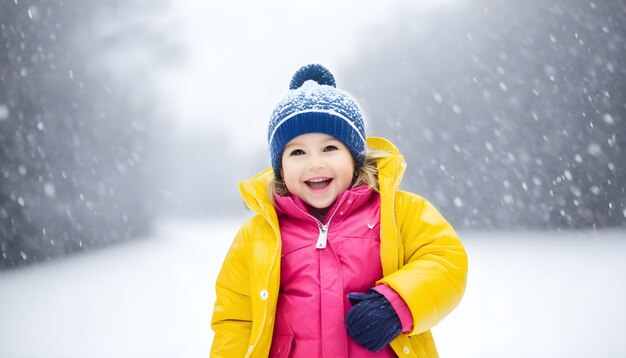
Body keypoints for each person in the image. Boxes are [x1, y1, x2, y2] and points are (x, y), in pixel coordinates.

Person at [210, 64, 468, 357]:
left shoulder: (398, 212)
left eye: (330, 148)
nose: (315, 163)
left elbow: (446, 261)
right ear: (280, 168)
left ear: (355, 157)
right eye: (297, 152)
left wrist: (397, 304)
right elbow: (234, 321)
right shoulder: (257, 237)